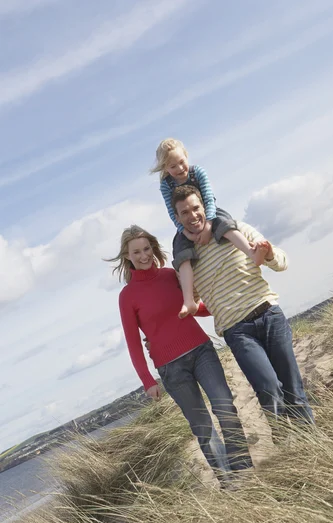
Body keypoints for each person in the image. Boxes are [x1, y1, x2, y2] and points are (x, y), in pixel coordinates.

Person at [106, 225, 253, 484]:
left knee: (224, 406)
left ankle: (244, 471)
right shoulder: (127, 297)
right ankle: (229, 482)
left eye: (147, 249)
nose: (143, 256)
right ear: (127, 256)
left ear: (153, 247)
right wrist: (147, 381)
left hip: (201, 350)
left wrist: (224, 306)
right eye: (136, 252)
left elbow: (193, 307)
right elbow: (133, 342)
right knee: (202, 427)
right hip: (171, 368)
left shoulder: (169, 275)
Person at [170, 185, 315, 434]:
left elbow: (282, 262)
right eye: (184, 212)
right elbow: (192, 303)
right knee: (268, 389)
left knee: (293, 387)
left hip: (269, 314)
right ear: (177, 218)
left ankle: (312, 446)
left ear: (204, 206)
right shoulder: (187, 261)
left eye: (195, 208)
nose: (192, 216)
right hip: (238, 331)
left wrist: (268, 254)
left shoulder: (234, 229)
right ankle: (287, 447)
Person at [150, 138, 267, 319]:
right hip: (185, 223)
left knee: (227, 225)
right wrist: (185, 231)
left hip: (209, 212)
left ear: (186, 157)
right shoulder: (166, 185)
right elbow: (172, 212)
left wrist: (208, 225)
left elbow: (209, 198)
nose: (180, 169)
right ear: (166, 168)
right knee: (181, 253)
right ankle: (189, 299)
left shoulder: (198, 173)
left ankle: (251, 252)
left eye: (182, 162)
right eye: (173, 166)